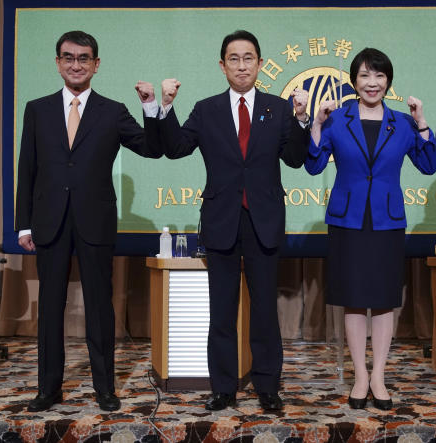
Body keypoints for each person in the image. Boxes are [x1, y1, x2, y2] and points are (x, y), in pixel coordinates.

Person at [136, 30, 310, 411]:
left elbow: (295, 159)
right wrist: (163, 106)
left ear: (260, 63)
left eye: (249, 58)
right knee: (221, 311)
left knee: (265, 310)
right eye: (234, 58)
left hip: (263, 219)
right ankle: (224, 388)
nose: (242, 65)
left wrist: (301, 119)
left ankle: (267, 387)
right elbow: (176, 148)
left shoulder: (279, 108)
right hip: (221, 220)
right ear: (222, 65)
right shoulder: (207, 108)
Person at [15, 30, 164, 412]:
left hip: (95, 221)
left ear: (97, 64)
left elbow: (150, 148)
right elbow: (27, 169)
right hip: (49, 222)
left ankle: (105, 389)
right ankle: (47, 389)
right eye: (68, 57)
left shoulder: (112, 111)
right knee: (50, 307)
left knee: (100, 307)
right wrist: (24, 224)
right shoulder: (37, 108)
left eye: (84, 58)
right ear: (58, 62)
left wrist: (150, 107)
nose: (76, 64)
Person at [305, 48, 436, 410]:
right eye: (364, 75)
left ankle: (378, 375)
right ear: (354, 81)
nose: (372, 82)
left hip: (387, 220)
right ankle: (359, 376)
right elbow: (314, 167)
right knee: (353, 299)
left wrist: (423, 122)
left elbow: (429, 165)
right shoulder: (336, 119)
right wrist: (316, 124)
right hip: (347, 220)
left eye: (379, 76)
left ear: (388, 81)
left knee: (382, 301)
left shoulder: (403, 122)